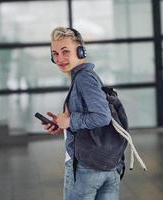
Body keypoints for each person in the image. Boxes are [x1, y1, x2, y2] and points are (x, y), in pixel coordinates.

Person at [42, 27, 121, 200]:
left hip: (86, 167)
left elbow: (102, 116)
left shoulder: (84, 78)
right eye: (55, 53)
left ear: (81, 51)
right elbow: (91, 117)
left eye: (65, 51)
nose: (59, 58)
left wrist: (70, 122)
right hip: (106, 165)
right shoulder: (85, 77)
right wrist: (62, 124)